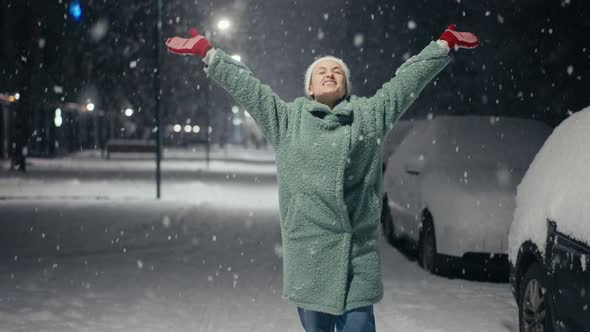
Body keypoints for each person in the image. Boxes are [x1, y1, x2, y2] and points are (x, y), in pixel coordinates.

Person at [165, 24, 479, 332]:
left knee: (359, 326)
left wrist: (441, 46)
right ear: (310, 88)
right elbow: (249, 88)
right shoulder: (287, 121)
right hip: (308, 255)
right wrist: (209, 54)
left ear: (346, 86)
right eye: (321, 71)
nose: (329, 73)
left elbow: (404, 83)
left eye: (337, 71)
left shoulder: (368, 117)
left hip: (356, 257)